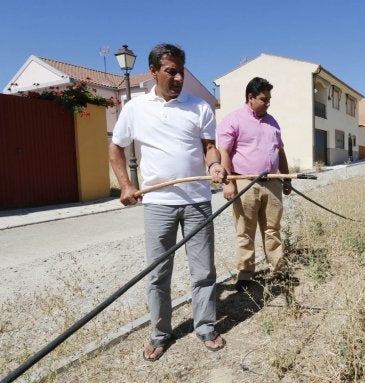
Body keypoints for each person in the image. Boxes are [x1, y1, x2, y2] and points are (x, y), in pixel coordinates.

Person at [109, 43, 227, 361]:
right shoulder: (134, 109)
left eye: (181, 72)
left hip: (197, 200)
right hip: (158, 203)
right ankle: (160, 334)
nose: (177, 78)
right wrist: (125, 184)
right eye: (170, 71)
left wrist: (214, 165)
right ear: (154, 72)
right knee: (158, 274)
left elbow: (209, 148)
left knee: (203, 271)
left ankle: (205, 327)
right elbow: (116, 148)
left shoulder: (199, 106)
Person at [216, 77, 291, 292]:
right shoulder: (234, 120)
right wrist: (229, 182)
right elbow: (224, 153)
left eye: (269, 99)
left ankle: (277, 269)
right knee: (245, 231)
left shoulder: (272, 122)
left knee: (272, 229)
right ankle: (245, 274)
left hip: (273, 184)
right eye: (263, 99)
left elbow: (281, 152)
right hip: (245, 183)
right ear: (250, 97)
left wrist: (285, 179)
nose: (268, 103)